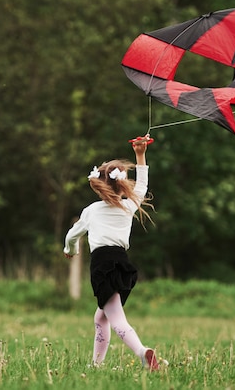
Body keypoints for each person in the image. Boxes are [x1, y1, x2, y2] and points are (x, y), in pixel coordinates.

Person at [63, 134, 158, 371]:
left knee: (116, 318)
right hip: (123, 264)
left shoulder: (91, 211)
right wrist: (140, 154)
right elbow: (143, 186)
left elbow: (72, 235)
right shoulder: (127, 206)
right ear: (121, 184)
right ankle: (96, 365)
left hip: (102, 265)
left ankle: (142, 353)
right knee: (101, 317)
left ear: (99, 185)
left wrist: (70, 250)